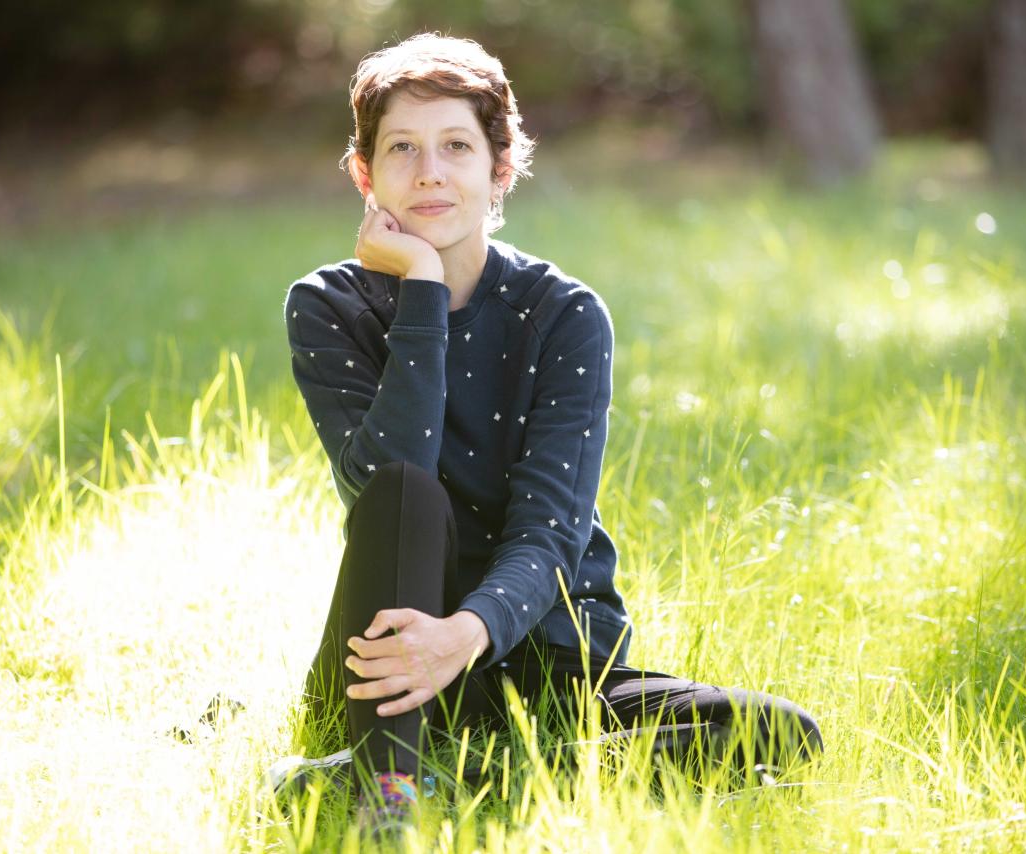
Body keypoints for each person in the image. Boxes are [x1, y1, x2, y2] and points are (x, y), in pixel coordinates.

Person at [283, 32, 821, 831]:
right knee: (403, 494)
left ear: (499, 169)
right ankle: (391, 794)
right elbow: (384, 476)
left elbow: (550, 533)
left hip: (547, 657)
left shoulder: (563, 315)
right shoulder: (330, 306)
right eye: (402, 148)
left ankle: (454, 776)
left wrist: (465, 634)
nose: (430, 171)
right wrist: (424, 291)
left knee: (782, 734)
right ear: (367, 174)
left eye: (457, 146)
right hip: (391, 651)